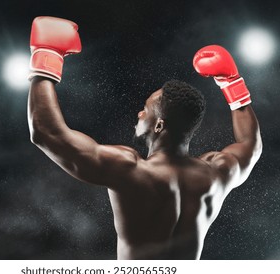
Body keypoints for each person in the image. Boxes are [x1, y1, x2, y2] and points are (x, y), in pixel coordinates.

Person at [27, 16, 262, 259]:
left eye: (146, 109)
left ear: (159, 124)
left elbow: (46, 132)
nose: (140, 113)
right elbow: (250, 146)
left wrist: (46, 57)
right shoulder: (216, 173)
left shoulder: (130, 170)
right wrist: (232, 83)